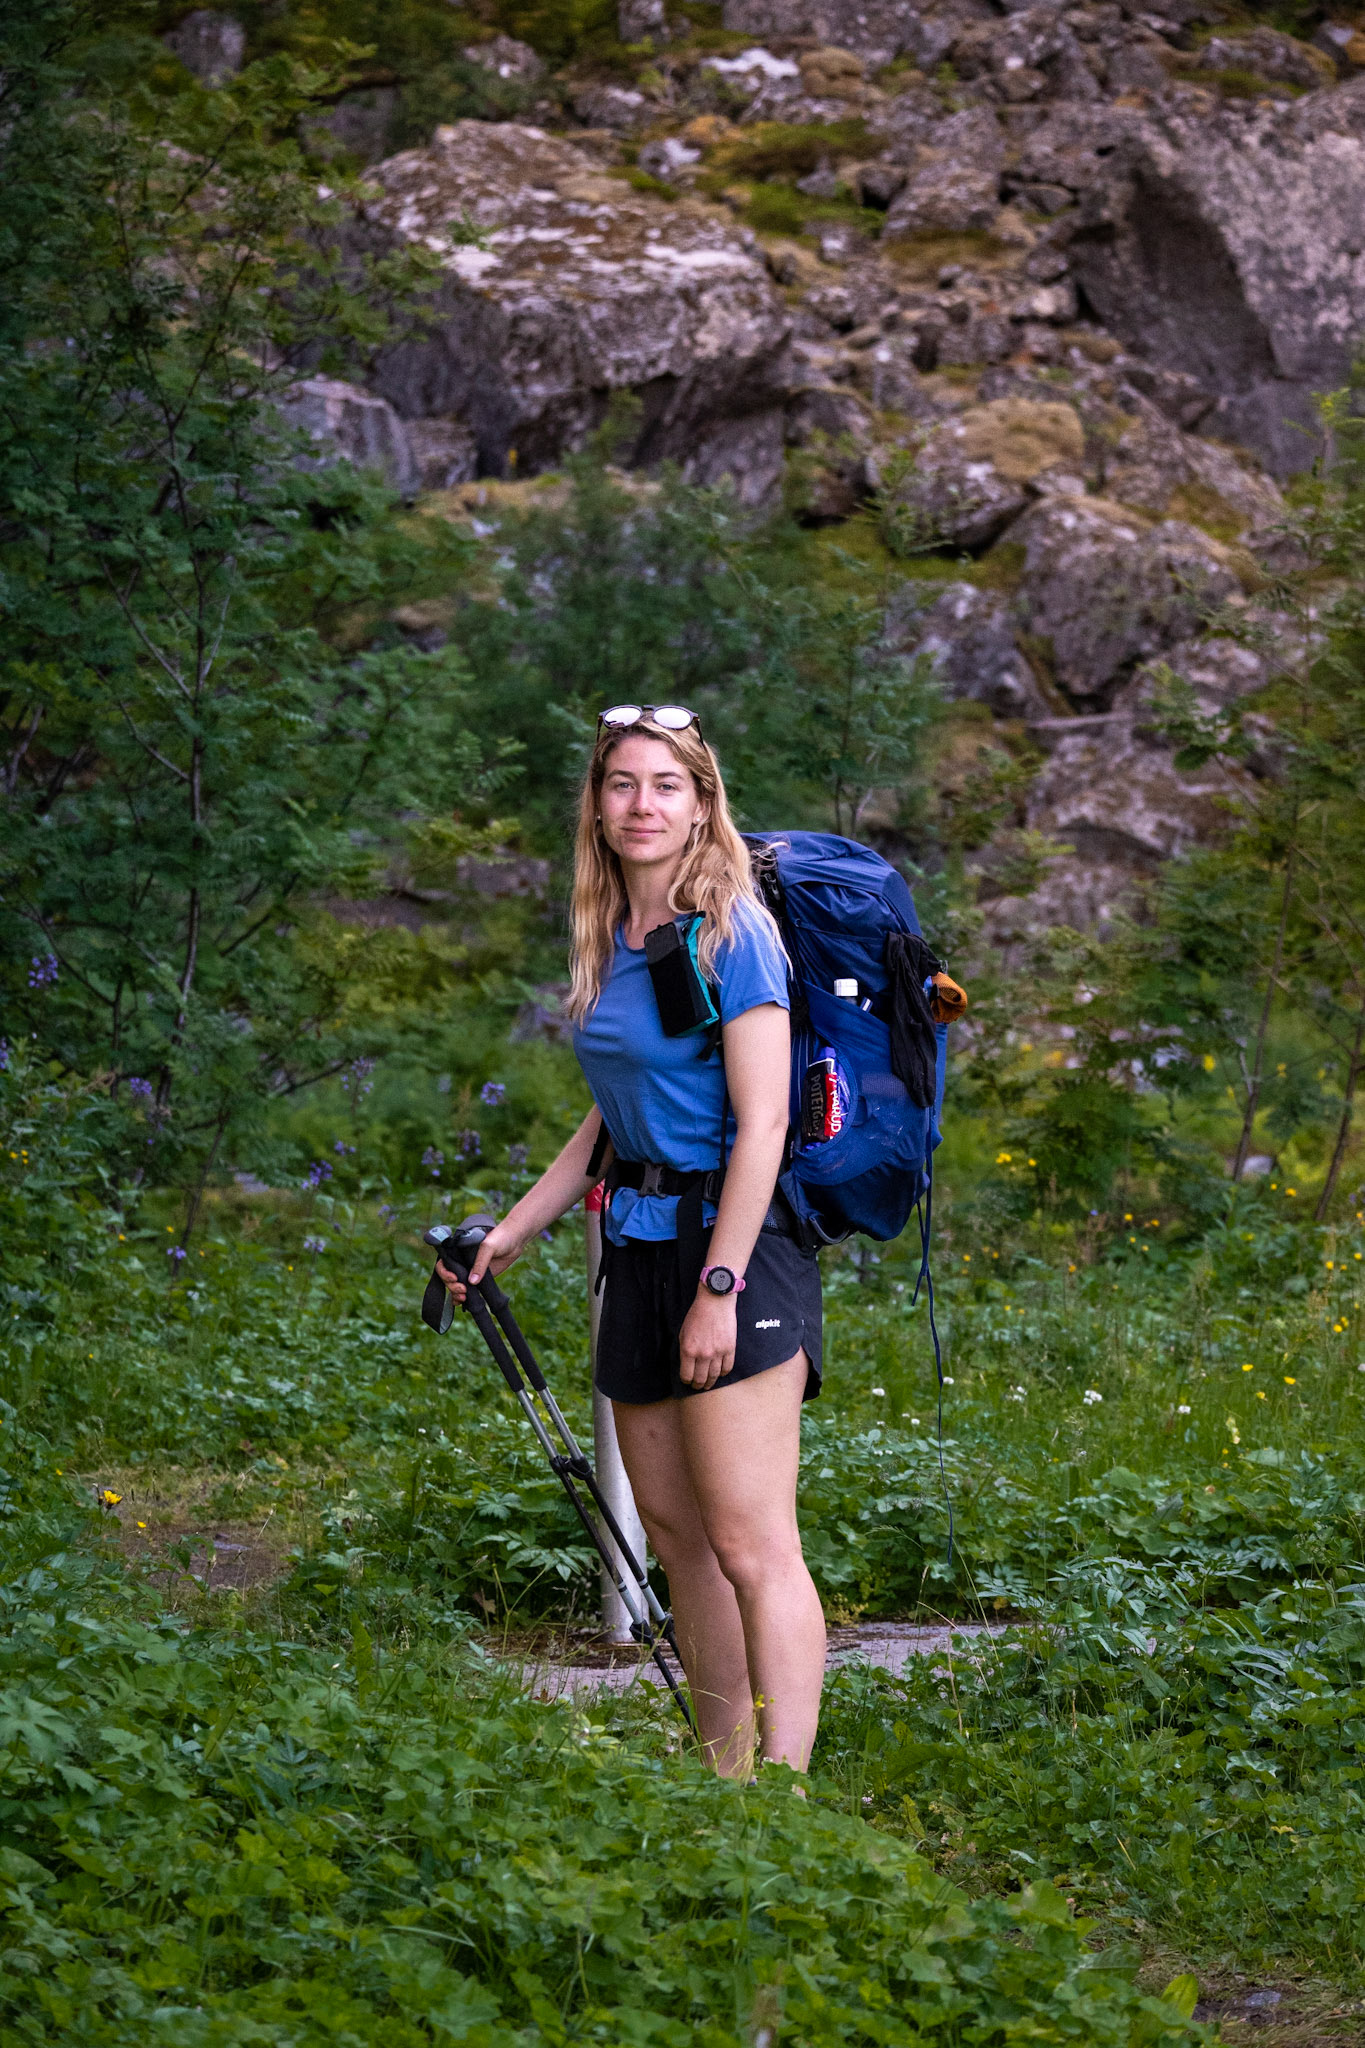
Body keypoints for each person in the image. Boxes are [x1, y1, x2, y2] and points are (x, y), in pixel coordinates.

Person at [441, 706, 826, 1777]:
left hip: (732, 1250)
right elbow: (612, 1114)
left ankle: (787, 1806)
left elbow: (763, 1125)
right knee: (677, 1541)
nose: (642, 803)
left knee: (753, 1545)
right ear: (598, 805)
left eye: (666, 783)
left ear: (703, 801)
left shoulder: (731, 932)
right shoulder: (618, 935)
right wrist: (511, 1230)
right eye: (622, 783)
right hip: (640, 1248)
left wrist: (719, 1283)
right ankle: (724, 1779)